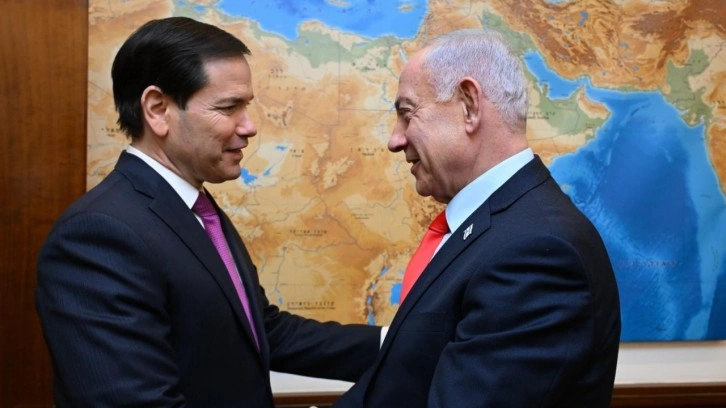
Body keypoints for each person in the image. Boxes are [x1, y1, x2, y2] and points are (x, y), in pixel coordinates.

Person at [35, 17, 380, 407]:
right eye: (229, 107)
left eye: (246, 106)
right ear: (158, 109)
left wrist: (401, 340)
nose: (249, 127)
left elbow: (260, 331)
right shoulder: (97, 236)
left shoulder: (195, 210)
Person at [334, 29, 621, 407]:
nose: (394, 140)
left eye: (407, 114)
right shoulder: (494, 228)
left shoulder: (539, 252)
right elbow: (405, 376)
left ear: (469, 105)